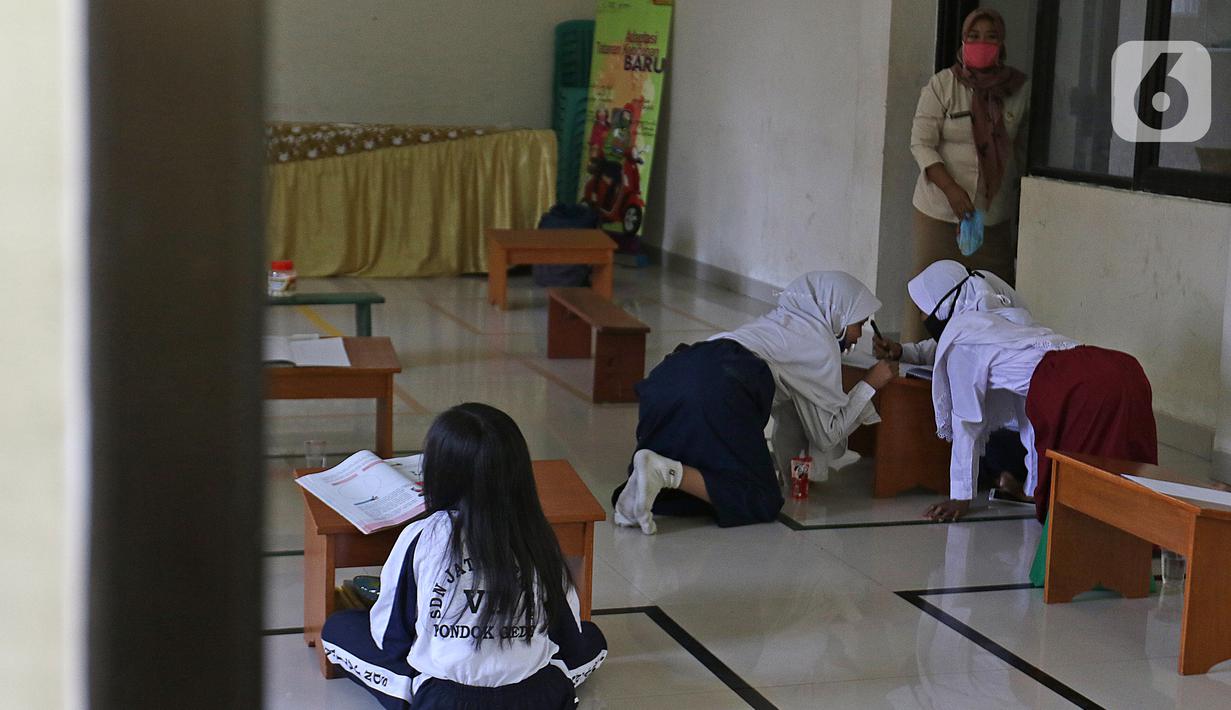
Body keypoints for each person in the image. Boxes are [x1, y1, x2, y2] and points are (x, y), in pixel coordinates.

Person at [320, 403, 607, 709]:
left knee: (339, 629)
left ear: (439, 472)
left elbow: (391, 637)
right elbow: (566, 635)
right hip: (535, 697)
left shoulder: (424, 534)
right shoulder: (538, 534)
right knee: (591, 638)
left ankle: (409, 694)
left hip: (445, 701)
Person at [612, 271, 898, 534]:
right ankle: (667, 473)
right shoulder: (821, 345)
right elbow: (827, 434)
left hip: (672, 375)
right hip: (720, 388)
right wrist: (871, 383)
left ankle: (643, 484)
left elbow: (793, 416)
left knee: (699, 477)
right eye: (858, 324)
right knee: (761, 497)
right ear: (837, 313)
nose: (860, 336)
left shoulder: (784, 321)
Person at [883, 260, 1157, 523]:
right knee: (1122, 464)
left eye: (923, 310)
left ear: (942, 308)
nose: (921, 318)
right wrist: (1033, 488)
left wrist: (960, 498)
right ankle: (1148, 526)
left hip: (1075, 383)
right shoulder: (1004, 318)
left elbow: (966, 422)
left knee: (1084, 488)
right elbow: (1028, 418)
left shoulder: (963, 339)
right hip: (1119, 367)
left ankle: (1102, 530)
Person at [903, 8, 1030, 342]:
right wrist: (952, 191)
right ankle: (912, 374)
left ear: (1002, 44)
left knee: (993, 293)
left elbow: (1022, 151)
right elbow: (921, 142)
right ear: (962, 41)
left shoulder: (1018, 89)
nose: (981, 43)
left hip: (993, 215)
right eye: (974, 36)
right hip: (939, 211)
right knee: (928, 296)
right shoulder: (943, 85)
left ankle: (982, 365)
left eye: (991, 37)